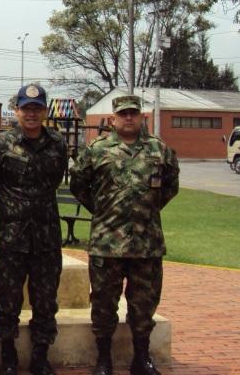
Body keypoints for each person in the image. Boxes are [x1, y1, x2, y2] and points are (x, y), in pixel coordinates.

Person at [70, 95, 179, 375]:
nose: (128, 118)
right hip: (107, 243)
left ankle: (141, 359)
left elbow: (170, 187)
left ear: (141, 117)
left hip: (147, 243)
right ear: (113, 119)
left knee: (144, 305)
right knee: (104, 304)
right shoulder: (96, 150)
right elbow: (79, 185)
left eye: (133, 113)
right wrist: (104, 210)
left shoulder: (159, 149)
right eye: (123, 114)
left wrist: (146, 211)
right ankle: (103, 359)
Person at [0, 84, 68, 375]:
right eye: (26, 108)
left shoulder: (57, 143)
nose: (31, 113)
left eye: (37, 108)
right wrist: (16, 208)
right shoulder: (1, 144)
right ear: (17, 110)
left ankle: (40, 356)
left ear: (44, 111)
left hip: (45, 237)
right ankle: (8, 355)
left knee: (45, 300)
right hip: (11, 236)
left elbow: (56, 179)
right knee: (8, 299)